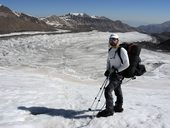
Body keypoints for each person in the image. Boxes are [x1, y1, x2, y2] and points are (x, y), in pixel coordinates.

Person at [97, 33, 130, 117]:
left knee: (108, 90)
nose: (112, 41)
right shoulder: (110, 50)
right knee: (117, 90)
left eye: (114, 39)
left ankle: (109, 110)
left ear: (117, 40)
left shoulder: (121, 50)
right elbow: (108, 61)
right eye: (111, 39)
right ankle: (118, 107)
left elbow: (127, 64)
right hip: (112, 74)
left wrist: (117, 70)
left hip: (118, 75)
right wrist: (108, 70)